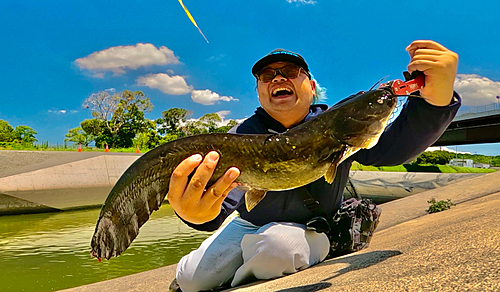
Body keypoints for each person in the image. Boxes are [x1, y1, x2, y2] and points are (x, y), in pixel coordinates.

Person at [167, 40, 460, 292]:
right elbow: (219, 207)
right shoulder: (238, 138)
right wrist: (196, 214)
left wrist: (435, 101)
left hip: (312, 228)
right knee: (192, 280)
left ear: (312, 86)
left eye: (291, 72)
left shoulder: (340, 124)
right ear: (258, 92)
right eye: (267, 75)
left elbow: (394, 148)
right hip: (247, 224)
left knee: (276, 250)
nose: (278, 78)